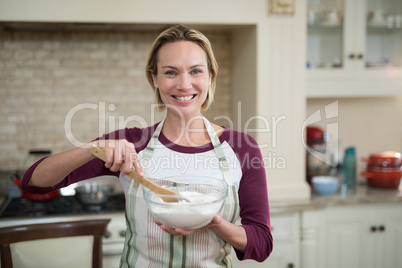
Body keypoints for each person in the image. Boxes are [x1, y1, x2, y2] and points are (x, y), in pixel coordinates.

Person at [22, 24, 273, 267]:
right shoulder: (130, 143)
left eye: (195, 71)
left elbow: (261, 244)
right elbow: (33, 182)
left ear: (210, 77)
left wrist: (213, 222)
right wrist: (92, 147)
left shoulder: (241, 147)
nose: (184, 84)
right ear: (155, 78)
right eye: (170, 72)